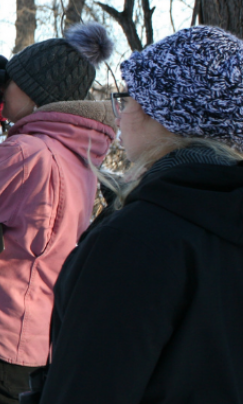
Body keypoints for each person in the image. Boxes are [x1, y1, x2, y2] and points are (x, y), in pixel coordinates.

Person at [36, 25, 243, 403]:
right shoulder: (224, 215)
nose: (119, 115)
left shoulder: (137, 239)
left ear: (165, 115)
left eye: (129, 99)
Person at [0, 22, 116, 404]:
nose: (1, 89)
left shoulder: (27, 153)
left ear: (33, 95)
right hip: (35, 329)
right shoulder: (75, 151)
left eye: (9, 82)